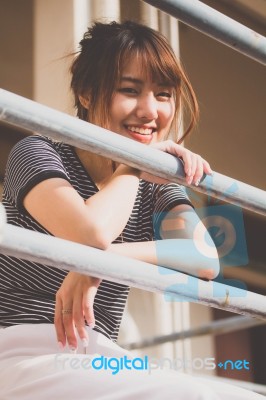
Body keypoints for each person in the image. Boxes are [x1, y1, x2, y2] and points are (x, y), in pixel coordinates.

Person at [0, 21, 263, 400]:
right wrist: (134, 165)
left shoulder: (153, 184)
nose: (149, 111)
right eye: (129, 90)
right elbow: (90, 234)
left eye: (163, 94)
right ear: (87, 93)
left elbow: (205, 259)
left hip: (102, 356)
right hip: (23, 353)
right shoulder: (38, 153)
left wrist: (95, 264)